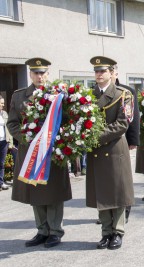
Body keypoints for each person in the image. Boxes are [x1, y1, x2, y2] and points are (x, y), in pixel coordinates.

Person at [7, 58, 72, 248]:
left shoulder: (59, 95)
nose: (39, 76)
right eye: (36, 73)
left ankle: (55, 231)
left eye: (43, 73)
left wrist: (57, 139)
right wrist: (27, 138)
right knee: (35, 192)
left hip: (52, 152)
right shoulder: (19, 96)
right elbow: (12, 123)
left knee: (53, 192)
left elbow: (68, 121)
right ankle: (42, 230)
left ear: (48, 74)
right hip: (30, 153)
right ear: (30, 74)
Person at [87, 56, 134, 250]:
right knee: (102, 192)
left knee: (117, 192)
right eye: (96, 71)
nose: (99, 74)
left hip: (114, 149)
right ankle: (106, 232)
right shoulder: (87, 95)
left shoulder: (124, 94)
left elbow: (123, 123)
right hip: (96, 150)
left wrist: (96, 136)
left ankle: (118, 231)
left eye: (103, 71)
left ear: (112, 73)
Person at [112, 65, 140, 223]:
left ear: (115, 73)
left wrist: (133, 139)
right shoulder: (94, 92)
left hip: (122, 140)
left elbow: (133, 118)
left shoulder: (127, 91)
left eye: (111, 71)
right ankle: (107, 211)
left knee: (123, 178)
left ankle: (125, 209)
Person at [0, 95, 13, 191]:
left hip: (4, 141)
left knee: (1, 163)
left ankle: (1, 183)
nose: (3, 105)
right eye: (1, 103)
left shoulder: (4, 114)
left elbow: (9, 129)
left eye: (3, 103)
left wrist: (10, 142)